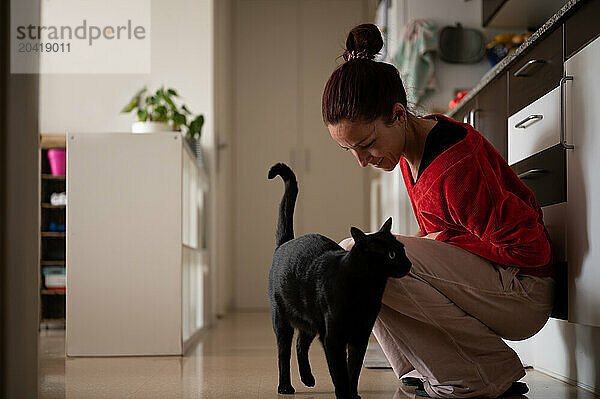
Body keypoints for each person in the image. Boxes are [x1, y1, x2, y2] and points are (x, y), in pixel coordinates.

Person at [323, 24, 555, 399]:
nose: (361, 161)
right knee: (358, 258)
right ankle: (425, 365)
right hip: (495, 284)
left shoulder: (455, 166)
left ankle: (481, 374)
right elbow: (454, 237)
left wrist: (439, 240)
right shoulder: (408, 153)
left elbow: (530, 250)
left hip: (523, 293)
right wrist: (432, 242)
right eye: (349, 150)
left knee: (361, 254)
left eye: (365, 144)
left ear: (399, 115)